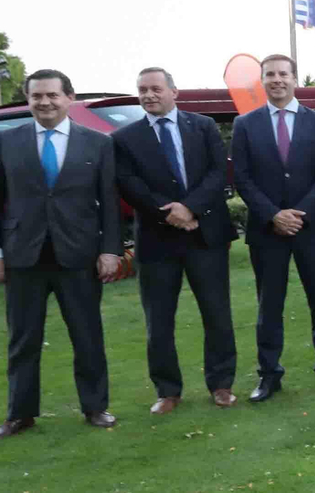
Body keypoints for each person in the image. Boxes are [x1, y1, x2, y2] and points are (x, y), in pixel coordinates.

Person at [0, 69, 122, 440]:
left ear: (68, 98)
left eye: (52, 96)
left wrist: (110, 250)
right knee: (22, 340)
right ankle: (19, 415)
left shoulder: (98, 143)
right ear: (28, 101)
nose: (44, 102)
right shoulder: (7, 141)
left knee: (87, 337)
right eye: (36, 96)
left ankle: (95, 407)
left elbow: (109, 203)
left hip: (79, 257)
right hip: (22, 257)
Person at [113, 67, 237, 414]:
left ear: (174, 92)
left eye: (155, 88)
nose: (148, 95)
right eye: (142, 90)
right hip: (156, 240)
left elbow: (217, 173)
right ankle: (167, 391)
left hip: (204, 235)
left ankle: (222, 384)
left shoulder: (203, 127)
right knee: (159, 321)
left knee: (217, 315)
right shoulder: (125, 138)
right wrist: (168, 213)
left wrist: (190, 208)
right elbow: (129, 184)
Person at [231, 54, 315, 401]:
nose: (277, 79)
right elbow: (242, 177)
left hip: (313, 229)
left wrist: (300, 212)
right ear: (262, 81)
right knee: (269, 306)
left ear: (295, 79)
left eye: (284, 74)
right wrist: (273, 215)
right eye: (270, 75)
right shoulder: (245, 125)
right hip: (267, 231)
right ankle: (269, 375)